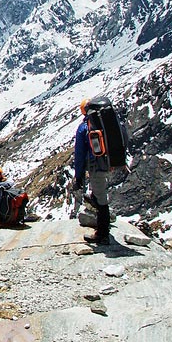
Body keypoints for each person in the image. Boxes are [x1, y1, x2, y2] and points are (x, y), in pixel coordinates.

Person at [73, 98, 112, 244]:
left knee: (101, 198)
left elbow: (79, 154)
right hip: (105, 162)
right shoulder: (104, 123)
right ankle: (103, 225)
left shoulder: (85, 127)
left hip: (96, 165)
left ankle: (102, 234)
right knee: (99, 194)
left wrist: (79, 176)